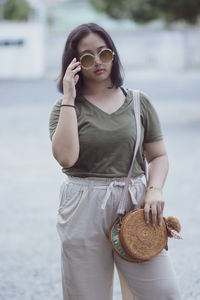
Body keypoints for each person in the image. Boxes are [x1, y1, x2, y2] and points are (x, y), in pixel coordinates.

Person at [49, 23, 181, 300]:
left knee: (163, 292)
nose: (98, 62)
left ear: (113, 55)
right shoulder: (64, 109)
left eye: (104, 53)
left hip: (134, 201)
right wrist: (70, 97)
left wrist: (154, 189)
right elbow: (66, 158)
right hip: (82, 204)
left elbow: (158, 155)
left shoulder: (137, 102)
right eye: (87, 57)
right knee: (87, 295)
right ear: (73, 65)